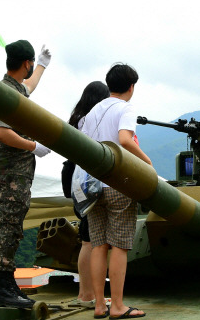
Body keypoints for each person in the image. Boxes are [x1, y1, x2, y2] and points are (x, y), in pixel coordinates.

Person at [82, 63, 150, 319]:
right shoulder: (126, 108)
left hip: (92, 186)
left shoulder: (92, 113)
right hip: (118, 183)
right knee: (119, 246)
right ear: (131, 87)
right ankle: (118, 306)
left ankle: (100, 305)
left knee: (98, 245)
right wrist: (147, 162)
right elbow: (124, 139)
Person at [0, 40, 52, 308]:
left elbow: (29, 86)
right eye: (31, 65)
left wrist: (42, 65)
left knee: (13, 227)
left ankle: (8, 281)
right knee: (8, 226)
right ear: (24, 64)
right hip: (10, 172)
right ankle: (2, 286)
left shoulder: (14, 88)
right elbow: (1, 132)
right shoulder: (4, 91)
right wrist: (33, 146)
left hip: (17, 173)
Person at [64, 81, 111, 307]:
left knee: (87, 239)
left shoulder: (76, 119)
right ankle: (88, 294)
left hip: (74, 181)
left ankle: (85, 293)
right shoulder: (90, 121)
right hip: (87, 182)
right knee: (90, 241)